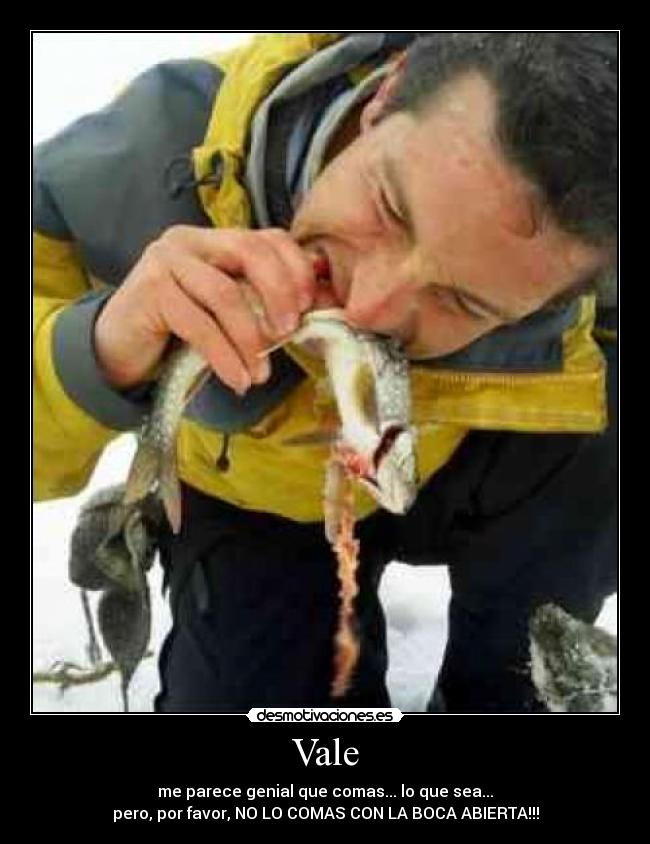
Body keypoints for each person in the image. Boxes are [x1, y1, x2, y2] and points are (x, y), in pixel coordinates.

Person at [33, 32, 618, 713]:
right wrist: (95, 353)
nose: (370, 307)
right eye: (391, 207)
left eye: (463, 300)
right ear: (386, 95)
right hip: (263, 498)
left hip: (496, 474)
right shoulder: (147, 155)